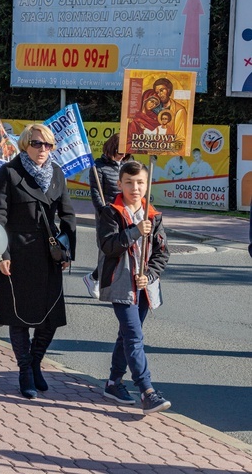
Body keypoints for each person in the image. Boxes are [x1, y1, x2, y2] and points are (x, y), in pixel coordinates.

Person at [0, 123, 76, 400]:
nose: (43, 150)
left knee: (50, 318)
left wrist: (66, 251)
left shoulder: (57, 174)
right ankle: (25, 370)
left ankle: (36, 361)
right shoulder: (10, 172)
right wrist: (1, 254)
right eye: (38, 144)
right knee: (20, 316)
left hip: (49, 256)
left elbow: (68, 216)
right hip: (18, 254)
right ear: (26, 143)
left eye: (48, 145)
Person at [98, 160, 171, 414]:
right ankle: (146, 391)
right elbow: (108, 246)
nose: (135, 187)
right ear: (119, 184)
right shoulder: (110, 212)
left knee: (127, 335)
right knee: (134, 336)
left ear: (148, 184)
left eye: (140, 182)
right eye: (129, 182)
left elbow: (162, 254)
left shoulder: (154, 214)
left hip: (143, 287)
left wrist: (149, 275)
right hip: (120, 284)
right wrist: (134, 231)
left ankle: (113, 382)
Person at [83, 133, 130, 299]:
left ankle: (93, 277)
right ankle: (97, 280)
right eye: (120, 151)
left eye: (125, 151)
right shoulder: (98, 167)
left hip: (125, 213)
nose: (123, 154)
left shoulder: (128, 165)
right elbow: (96, 193)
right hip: (108, 216)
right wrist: (104, 211)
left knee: (121, 250)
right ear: (112, 147)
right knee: (108, 250)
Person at [153, 77, 187, 144]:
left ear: (168, 90)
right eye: (157, 92)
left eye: (162, 90)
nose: (159, 94)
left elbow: (180, 138)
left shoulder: (179, 110)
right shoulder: (154, 109)